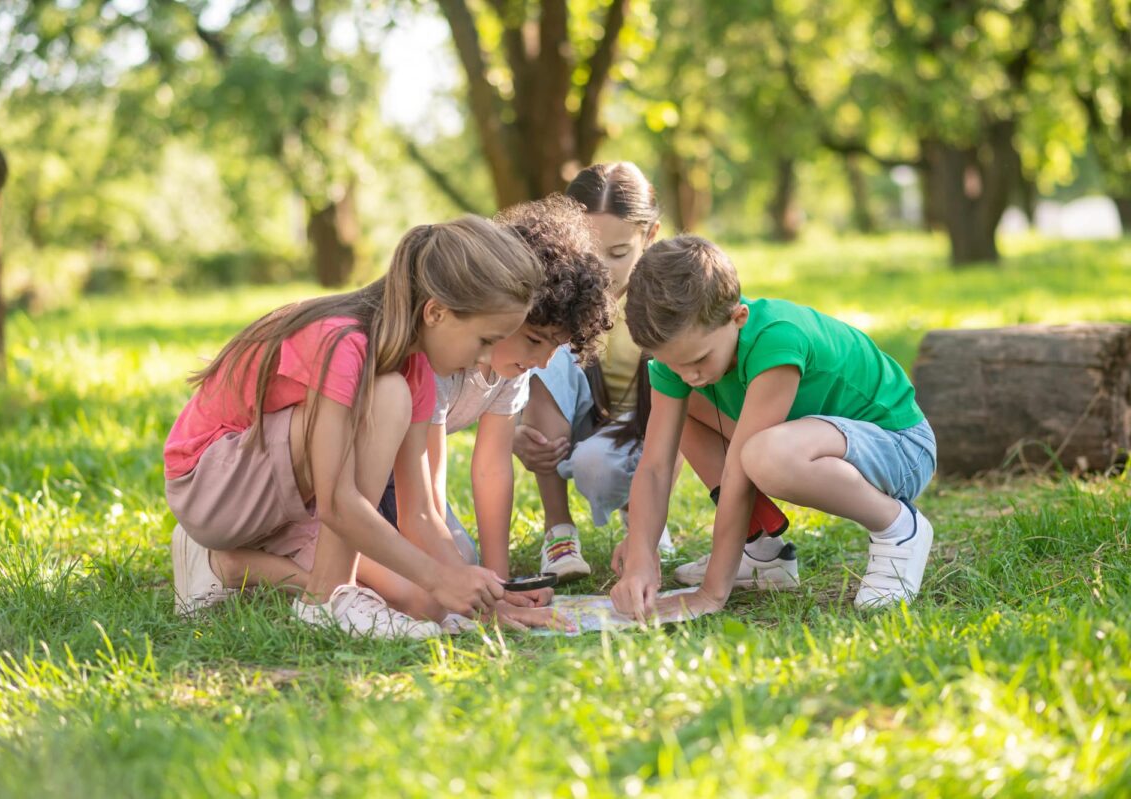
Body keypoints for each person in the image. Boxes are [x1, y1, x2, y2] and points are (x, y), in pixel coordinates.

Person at [164, 216, 543, 638]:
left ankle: (228, 565)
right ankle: (328, 597)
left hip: (285, 504)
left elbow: (418, 513)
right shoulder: (345, 342)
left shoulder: (415, 367)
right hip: (213, 487)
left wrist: (482, 598)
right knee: (388, 395)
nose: (486, 359)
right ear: (436, 312)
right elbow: (337, 504)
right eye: (485, 340)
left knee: (426, 604)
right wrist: (439, 576)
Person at [611, 235, 937, 620]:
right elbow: (654, 466)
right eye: (673, 365)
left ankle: (897, 527)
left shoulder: (775, 340)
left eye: (698, 359)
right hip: (821, 445)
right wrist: (640, 557)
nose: (689, 375)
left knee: (763, 456)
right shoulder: (684, 360)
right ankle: (764, 552)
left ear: (738, 318)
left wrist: (712, 593)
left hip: (901, 450)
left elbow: (739, 472)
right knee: (685, 412)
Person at [515, 162, 798, 587]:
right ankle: (559, 532)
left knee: (600, 461)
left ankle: (647, 519)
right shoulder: (560, 292)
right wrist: (516, 434)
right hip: (582, 427)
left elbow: (688, 405)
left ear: (649, 236)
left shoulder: (669, 300)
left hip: (650, 432)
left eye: (618, 254)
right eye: (590, 254)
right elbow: (503, 378)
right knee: (549, 351)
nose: (603, 272)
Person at [363, 195, 615, 629]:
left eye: (555, 347)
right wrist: (478, 593)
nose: (540, 361)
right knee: (436, 581)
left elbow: (493, 469)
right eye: (534, 340)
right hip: (365, 477)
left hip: (400, 483)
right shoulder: (441, 357)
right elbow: (426, 499)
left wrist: (501, 584)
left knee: (465, 564)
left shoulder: (510, 367)